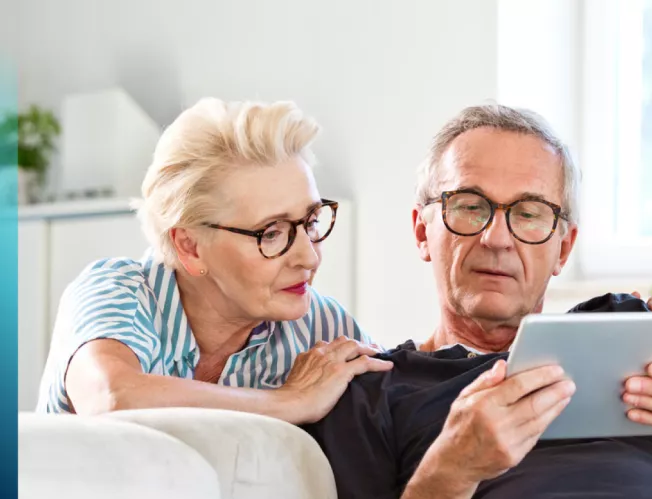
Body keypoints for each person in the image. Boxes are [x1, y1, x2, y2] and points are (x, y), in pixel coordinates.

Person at [304, 105, 652, 499]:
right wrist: (451, 469)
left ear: (563, 246)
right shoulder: (371, 390)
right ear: (422, 230)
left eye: (529, 213)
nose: (496, 237)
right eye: (469, 206)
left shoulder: (632, 330)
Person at [37, 99, 391, 421]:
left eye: (312, 222)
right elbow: (112, 398)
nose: (308, 256)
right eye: (271, 233)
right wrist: (291, 402)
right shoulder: (116, 291)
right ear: (190, 246)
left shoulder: (323, 327)